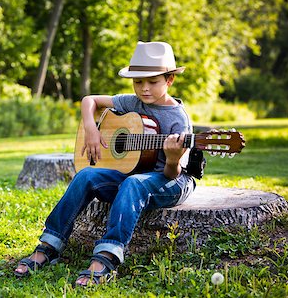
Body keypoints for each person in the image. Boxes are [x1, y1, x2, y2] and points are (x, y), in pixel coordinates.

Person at [14, 41, 196, 286]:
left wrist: (173, 158)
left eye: (152, 82)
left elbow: (172, 173)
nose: (144, 89)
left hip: (172, 180)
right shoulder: (133, 103)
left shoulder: (177, 119)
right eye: (138, 82)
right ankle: (49, 245)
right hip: (137, 175)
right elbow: (90, 100)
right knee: (87, 175)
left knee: (133, 183)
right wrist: (91, 128)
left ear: (170, 80)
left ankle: (107, 256)